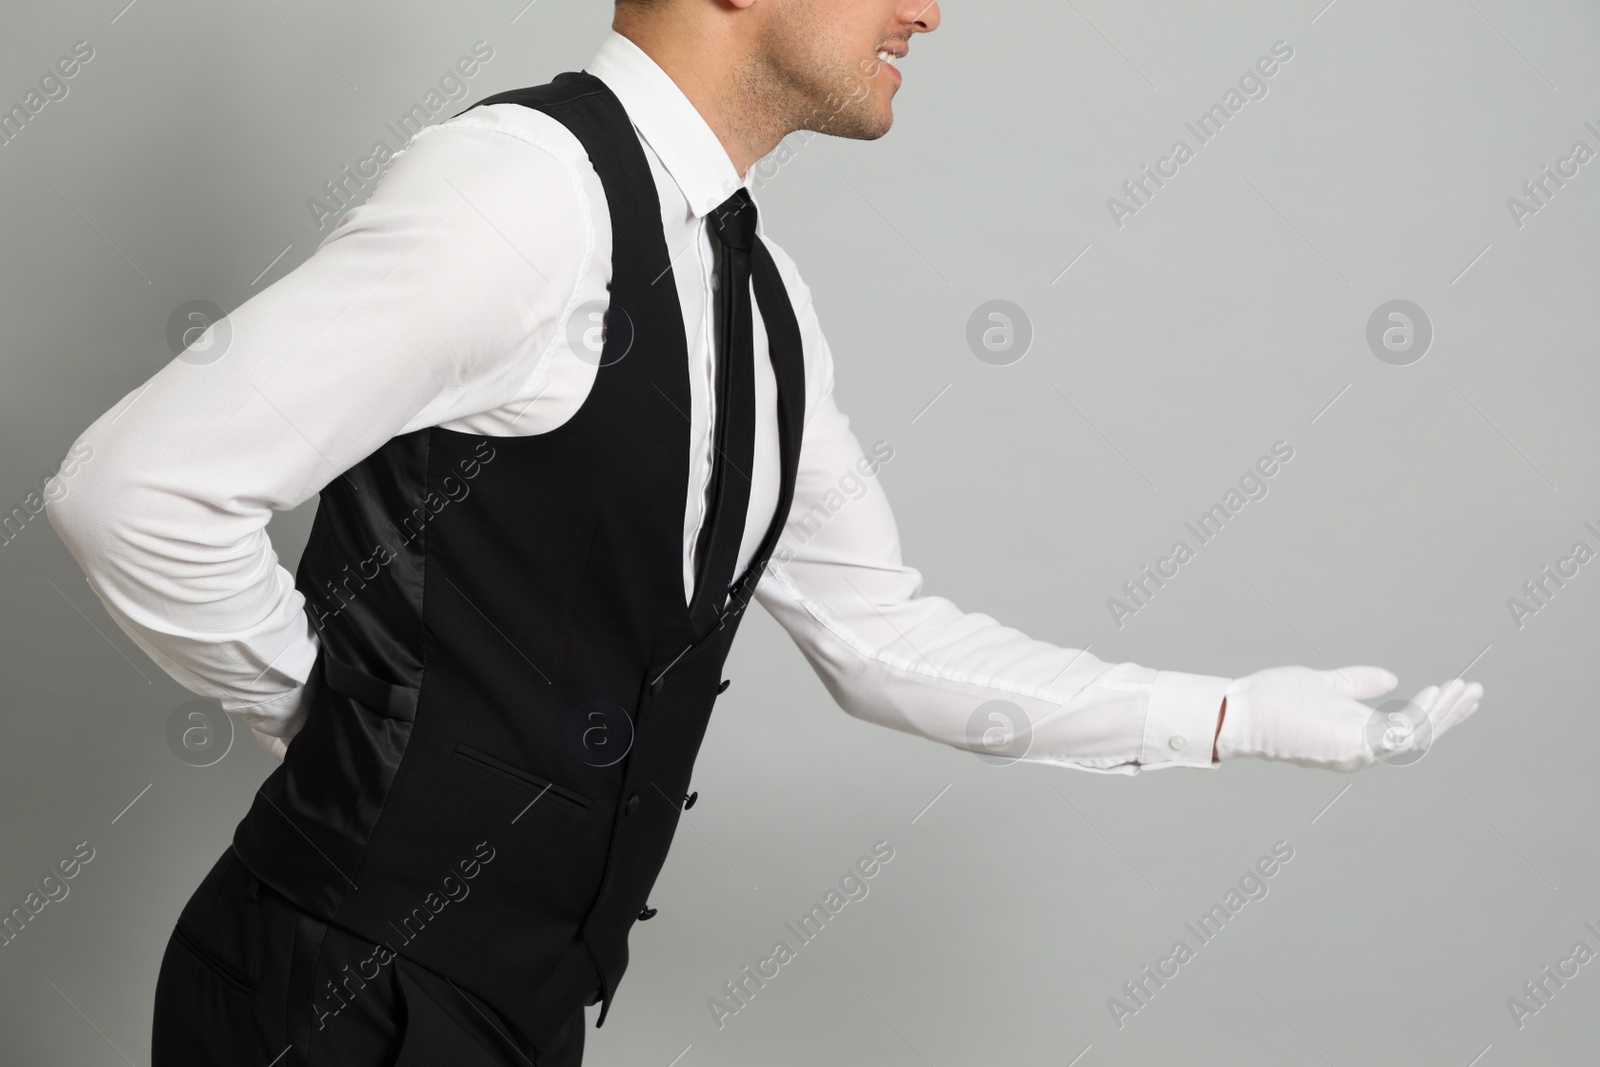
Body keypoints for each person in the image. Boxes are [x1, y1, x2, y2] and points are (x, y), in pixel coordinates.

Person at [45, 0, 1482, 1063]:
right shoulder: (524, 196)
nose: (930, 8)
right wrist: (318, 718)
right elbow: (136, 488)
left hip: (516, 1014)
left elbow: (879, 637)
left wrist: (1233, 715)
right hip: (333, 995)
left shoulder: (762, 293)